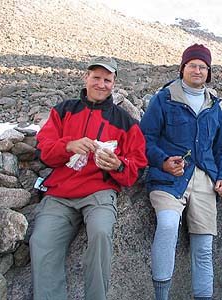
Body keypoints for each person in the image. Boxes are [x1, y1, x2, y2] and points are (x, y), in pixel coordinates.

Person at [29, 56, 148, 300]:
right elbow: (44, 152)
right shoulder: (63, 111)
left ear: (113, 83)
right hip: (60, 193)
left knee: (101, 232)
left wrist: (118, 165)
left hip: (99, 192)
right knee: (41, 241)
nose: (101, 84)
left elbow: (138, 167)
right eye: (96, 78)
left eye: (107, 80)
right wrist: (69, 146)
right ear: (86, 78)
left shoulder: (125, 121)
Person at [140, 44, 222, 300]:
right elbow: (145, 138)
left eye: (203, 66)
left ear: (209, 72)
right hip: (169, 177)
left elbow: (220, 149)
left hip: (204, 179)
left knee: (203, 247)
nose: (198, 70)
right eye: (192, 65)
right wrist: (164, 160)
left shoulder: (214, 106)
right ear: (183, 68)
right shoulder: (164, 98)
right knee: (168, 225)